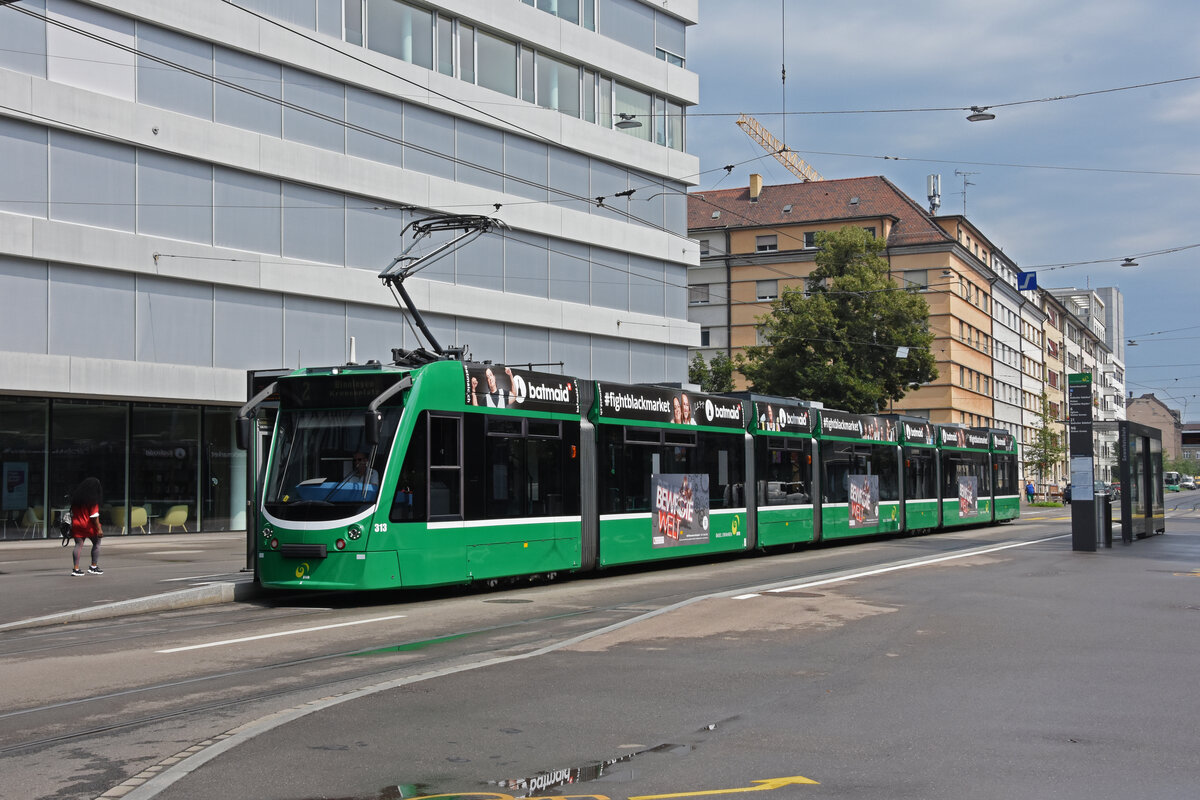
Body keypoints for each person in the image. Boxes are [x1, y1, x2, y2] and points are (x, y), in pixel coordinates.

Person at [68, 477, 104, 577]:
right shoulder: (93, 500)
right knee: (97, 543)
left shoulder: (76, 499)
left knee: (78, 545)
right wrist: (99, 529)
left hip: (77, 524)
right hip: (89, 526)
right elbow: (94, 516)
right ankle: (93, 566)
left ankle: (76, 569)